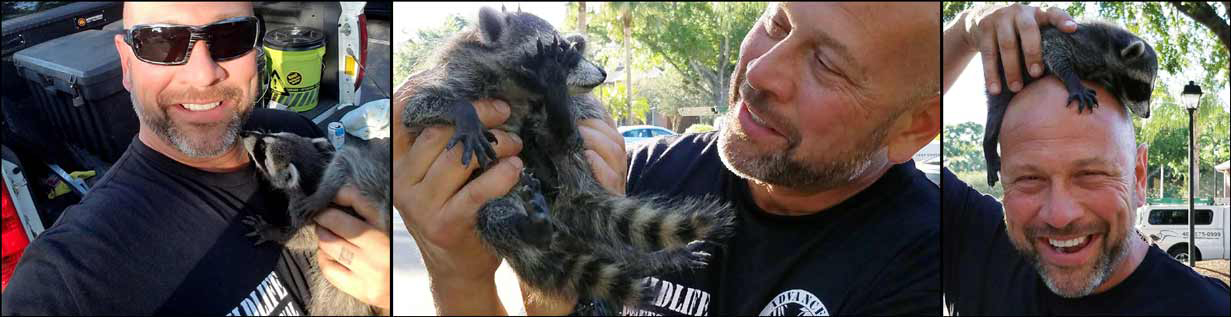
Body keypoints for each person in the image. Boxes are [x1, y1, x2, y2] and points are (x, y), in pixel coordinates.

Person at [394, 2, 942, 315]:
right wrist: (460, 276)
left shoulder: (934, 266)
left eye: (827, 64)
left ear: (913, 128)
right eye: (776, 22)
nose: (758, 73)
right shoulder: (643, 170)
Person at [0, 2, 390, 315]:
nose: (204, 75)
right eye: (161, 42)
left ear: (255, 49)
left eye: (231, 36)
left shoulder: (295, 130)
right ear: (127, 63)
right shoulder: (69, 275)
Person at [941, 4, 1230, 315]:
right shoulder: (974, 246)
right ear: (1003, 174)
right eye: (1029, 178)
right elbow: (888, 129)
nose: (1061, 216)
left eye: (1090, 174)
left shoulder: (1208, 307)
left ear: (1139, 176)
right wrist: (963, 32)